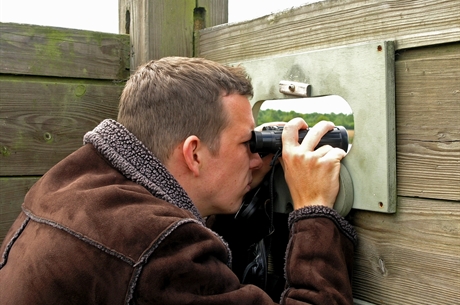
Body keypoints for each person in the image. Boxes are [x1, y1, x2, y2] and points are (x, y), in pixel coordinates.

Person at [0, 57, 357, 304]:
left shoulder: (69, 186)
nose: (254, 156)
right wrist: (314, 209)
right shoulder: (156, 251)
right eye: (246, 142)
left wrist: (240, 180)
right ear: (194, 154)